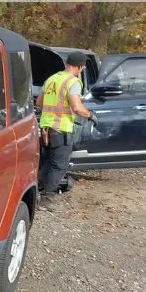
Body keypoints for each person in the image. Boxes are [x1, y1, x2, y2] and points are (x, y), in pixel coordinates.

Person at [35, 51, 98, 212]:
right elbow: (76, 107)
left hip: (46, 129)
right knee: (59, 166)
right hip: (61, 129)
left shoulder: (52, 78)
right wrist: (90, 115)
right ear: (80, 67)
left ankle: (36, 192)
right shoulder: (73, 82)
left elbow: (39, 102)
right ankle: (47, 198)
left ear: (66, 64)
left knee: (47, 163)